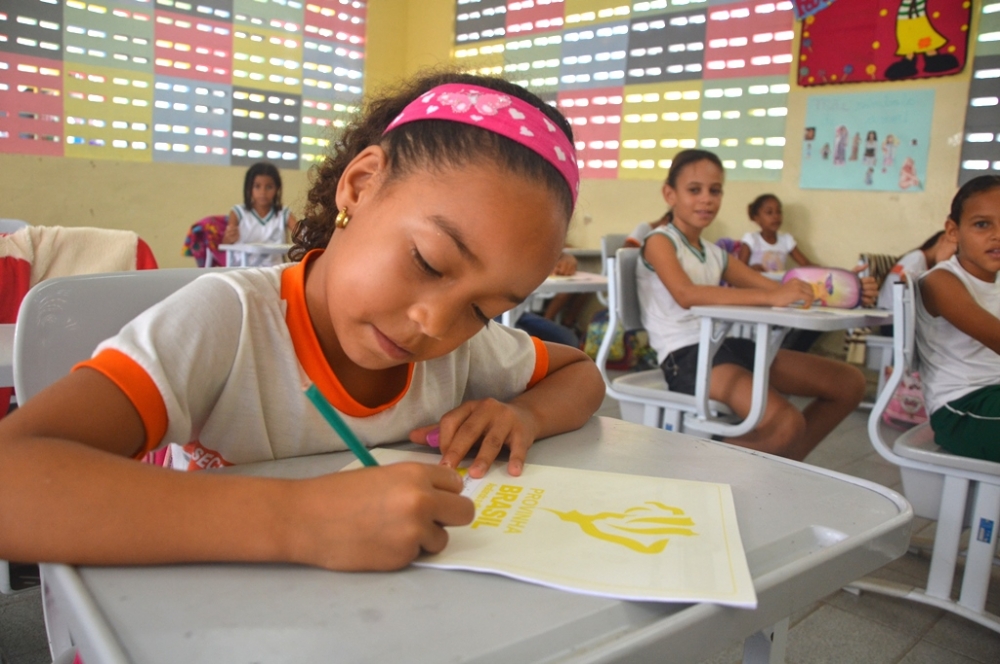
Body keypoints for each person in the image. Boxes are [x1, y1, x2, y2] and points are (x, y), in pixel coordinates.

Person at [0, 72, 606, 572]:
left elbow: (582, 374)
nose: (435, 324)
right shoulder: (227, 322)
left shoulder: (460, 353)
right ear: (361, 185)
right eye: (428, 261)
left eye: (485, 310)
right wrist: (298, 519)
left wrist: (522, 414)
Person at [637, 149, 875, 461]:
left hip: (727, 346)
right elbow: (687, 294)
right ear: (670, 194)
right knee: (784, 424)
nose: (706, 199)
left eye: (715, 190)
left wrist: (849, 289)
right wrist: (774, 296)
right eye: (694, 190)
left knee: (847, 383)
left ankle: (775, 463)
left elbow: (779, 289)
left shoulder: (714, 253)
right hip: (685, 357)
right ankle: (704, 470)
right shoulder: (659, 241)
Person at [916, 175, 1000, 462]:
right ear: (953, 231)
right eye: (982, 224)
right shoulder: (942, 282)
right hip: (962, 409)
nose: (997, 234)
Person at [222, 162, 298, 266]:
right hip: (242, 269)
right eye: (257, 186)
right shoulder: (238, 212)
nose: (263, 192)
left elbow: (300, 234)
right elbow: (225, 245)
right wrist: (230, 237)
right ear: (249, 188)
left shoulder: (283, 213)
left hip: (274, 271)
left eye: (269, 187)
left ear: (277, 189)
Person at [876, 229, 957, 311]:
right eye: (955, 251)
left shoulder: (921, 259)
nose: (954, 259)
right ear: (943, 239)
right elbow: (904, 278)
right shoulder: (918, 257)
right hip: (891, 314)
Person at [737, 194, 812, 273]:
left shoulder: (786, 240)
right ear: (757, 218)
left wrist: (825, 272)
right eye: (769, 212)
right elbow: (739, 269)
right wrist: (751, 269)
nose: (776, 216)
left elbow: (806, 264)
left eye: (778, 212)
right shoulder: (751, 239)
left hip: (777, 285)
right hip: (754, 284)